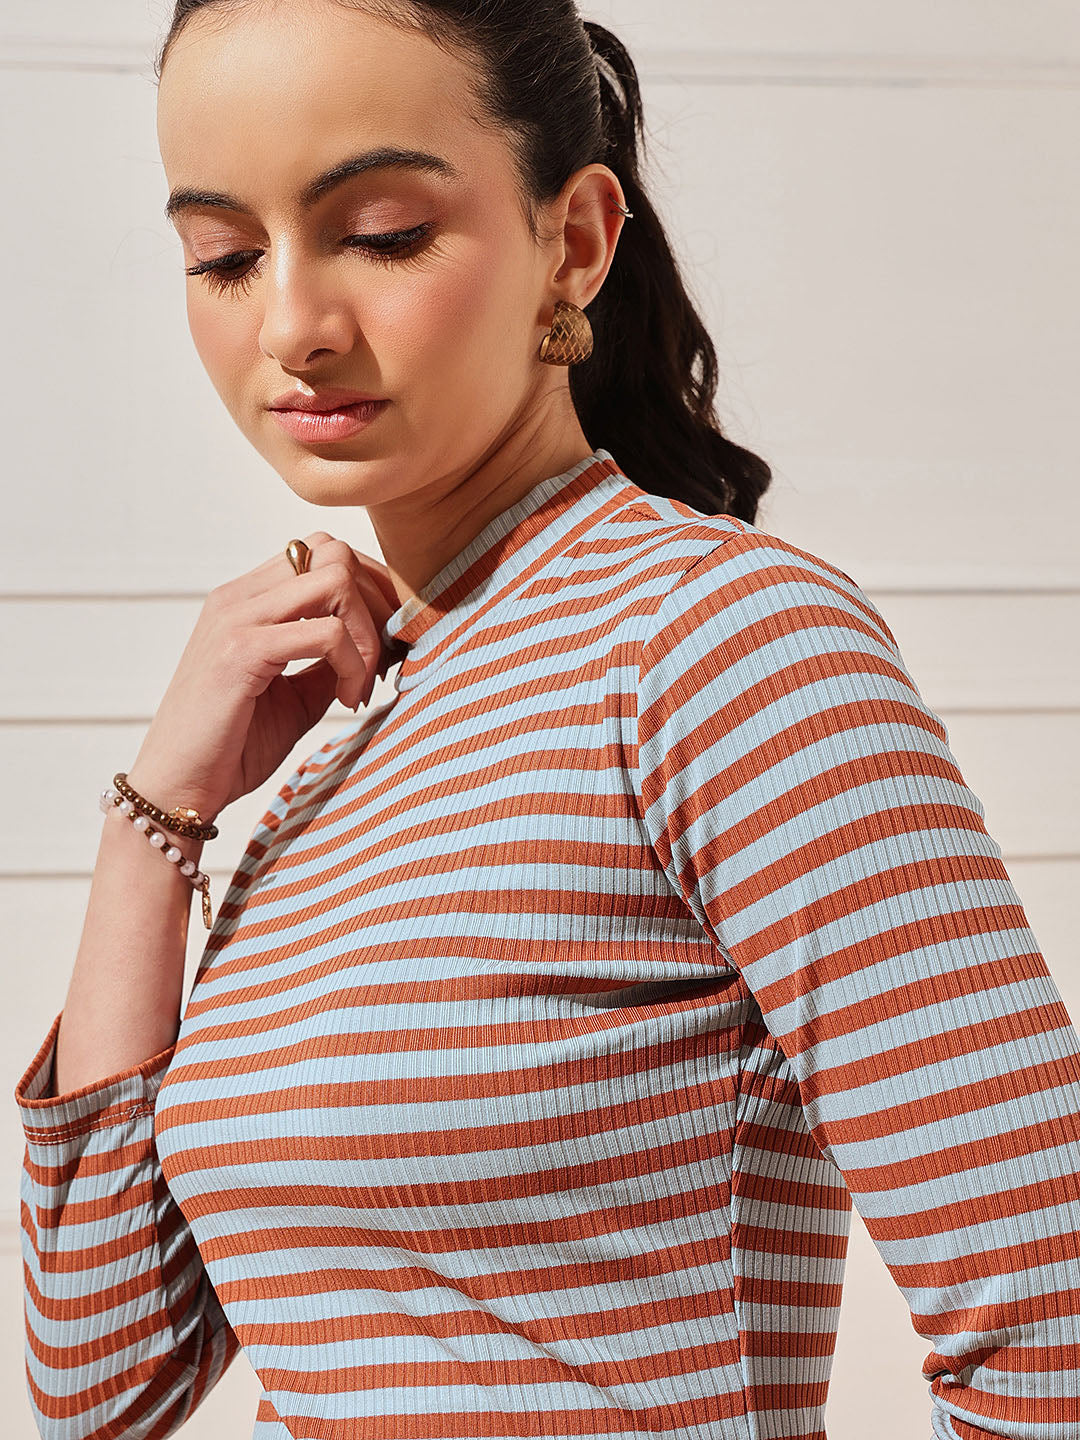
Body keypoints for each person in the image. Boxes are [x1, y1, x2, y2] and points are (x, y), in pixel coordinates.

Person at [13, 2, 1080, 1438]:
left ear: (573, 241)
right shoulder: (343, 754)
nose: (291, 328)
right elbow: (103, 1386)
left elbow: (1050, 1324)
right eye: (223, 256)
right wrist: (160, 814)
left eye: (383, 234)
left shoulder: (717, 642)